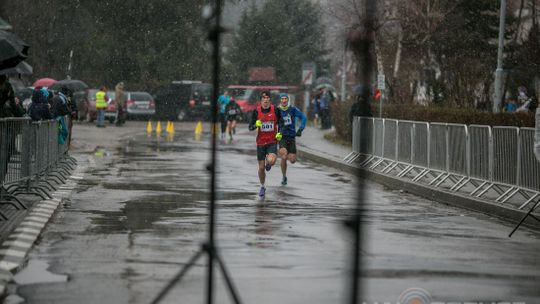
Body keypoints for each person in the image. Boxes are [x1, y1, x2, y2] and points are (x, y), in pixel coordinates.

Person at [248, 91, 283, 198]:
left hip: (272, 141)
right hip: (260, 143)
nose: (266, 100)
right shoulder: (256, 111)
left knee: (272, 160)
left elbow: (281, 123)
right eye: (264, 98)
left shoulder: (276, 110)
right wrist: (255, 125)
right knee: (261, 168)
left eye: (268, 98)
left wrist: (279, 133)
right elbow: (250, 127)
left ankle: (269, 163)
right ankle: (262, 186)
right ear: (261, 100)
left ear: (270, 100)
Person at [275, 93, 306, 186]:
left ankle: (285, 153)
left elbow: (303, 117)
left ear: (288, 100)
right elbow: (271, 121)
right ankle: (284, 176)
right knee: (284, 156)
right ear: (280, 100)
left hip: (291, 137)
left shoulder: (292, 109)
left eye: (285, 99)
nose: (284, 101)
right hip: (282, 137)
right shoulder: (277, 110)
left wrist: (301, 129)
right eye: (282, 99)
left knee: (292, 160)